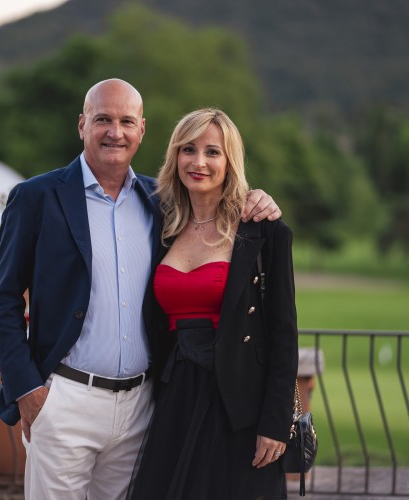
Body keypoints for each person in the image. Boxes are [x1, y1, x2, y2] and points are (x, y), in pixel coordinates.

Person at [0, 79, 282, 500]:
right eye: (103, 120)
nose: (115, 132)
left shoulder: (160, 201)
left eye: (127, 121)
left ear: (142, 129)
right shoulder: (36, 198)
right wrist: (28, 391)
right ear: (82, 124)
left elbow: (215, 208)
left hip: (141, 408)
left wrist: (258, 199)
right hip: (65, 400)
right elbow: (3, 300)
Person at [126, 108, 298, 500]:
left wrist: (275, 424)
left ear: (229, 161)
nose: (198, 162)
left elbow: (283, 334)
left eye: (212, 152)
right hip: (175, 400)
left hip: (239, 408)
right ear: (175, 156)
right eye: (188, 149)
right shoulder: (161, 225)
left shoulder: (264, 231)